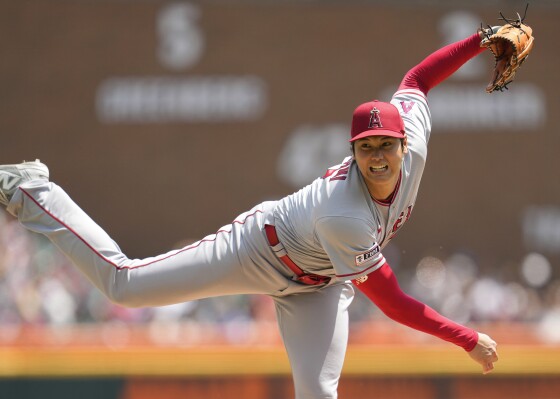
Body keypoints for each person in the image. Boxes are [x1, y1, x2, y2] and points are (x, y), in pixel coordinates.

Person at [0, 26, 499, 399]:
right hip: (259, 250)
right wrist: (466, 337)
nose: (375, 156)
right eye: (364, 146)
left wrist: (484, 38)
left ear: (401, 141)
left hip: (320, 286)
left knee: (319, 396)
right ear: (353, 150)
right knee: (124, 286)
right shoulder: (342, 212)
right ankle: (32, 189)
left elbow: (418, 78)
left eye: (384, 145)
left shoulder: (414, 143)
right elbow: (392, 302)